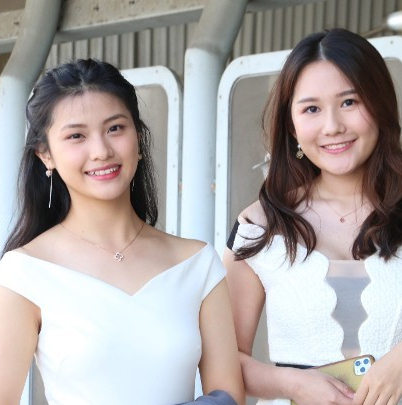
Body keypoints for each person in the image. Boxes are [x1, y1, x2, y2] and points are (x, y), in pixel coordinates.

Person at [0, 58, 245, 405]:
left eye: (115, 128)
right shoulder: (25, 269)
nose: (101, 151)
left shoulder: (197, 263)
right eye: (76, 136)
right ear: (45, 155)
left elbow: (228, 396)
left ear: (138, 138)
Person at [224, 28, 402, 405]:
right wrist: (293, 384)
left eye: (349, 102)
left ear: (380, 104)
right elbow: (223, 361)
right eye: (311, 109)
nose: (333, 126)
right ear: (292, 126)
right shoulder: (261, 227)